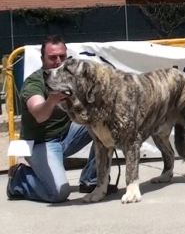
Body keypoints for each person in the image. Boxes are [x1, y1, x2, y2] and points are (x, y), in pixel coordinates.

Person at [6, 35, 117, 202]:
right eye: (52, 58)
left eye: (62, 57)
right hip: (41, 143)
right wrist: (51, 100)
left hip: (66, 135)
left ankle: (91, 179)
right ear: (42, 58)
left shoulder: (71, 78)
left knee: (103, 122)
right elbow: (39, 115)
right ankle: (19, 178)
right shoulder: (35, 82)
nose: (58, 61)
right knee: (58, 193)